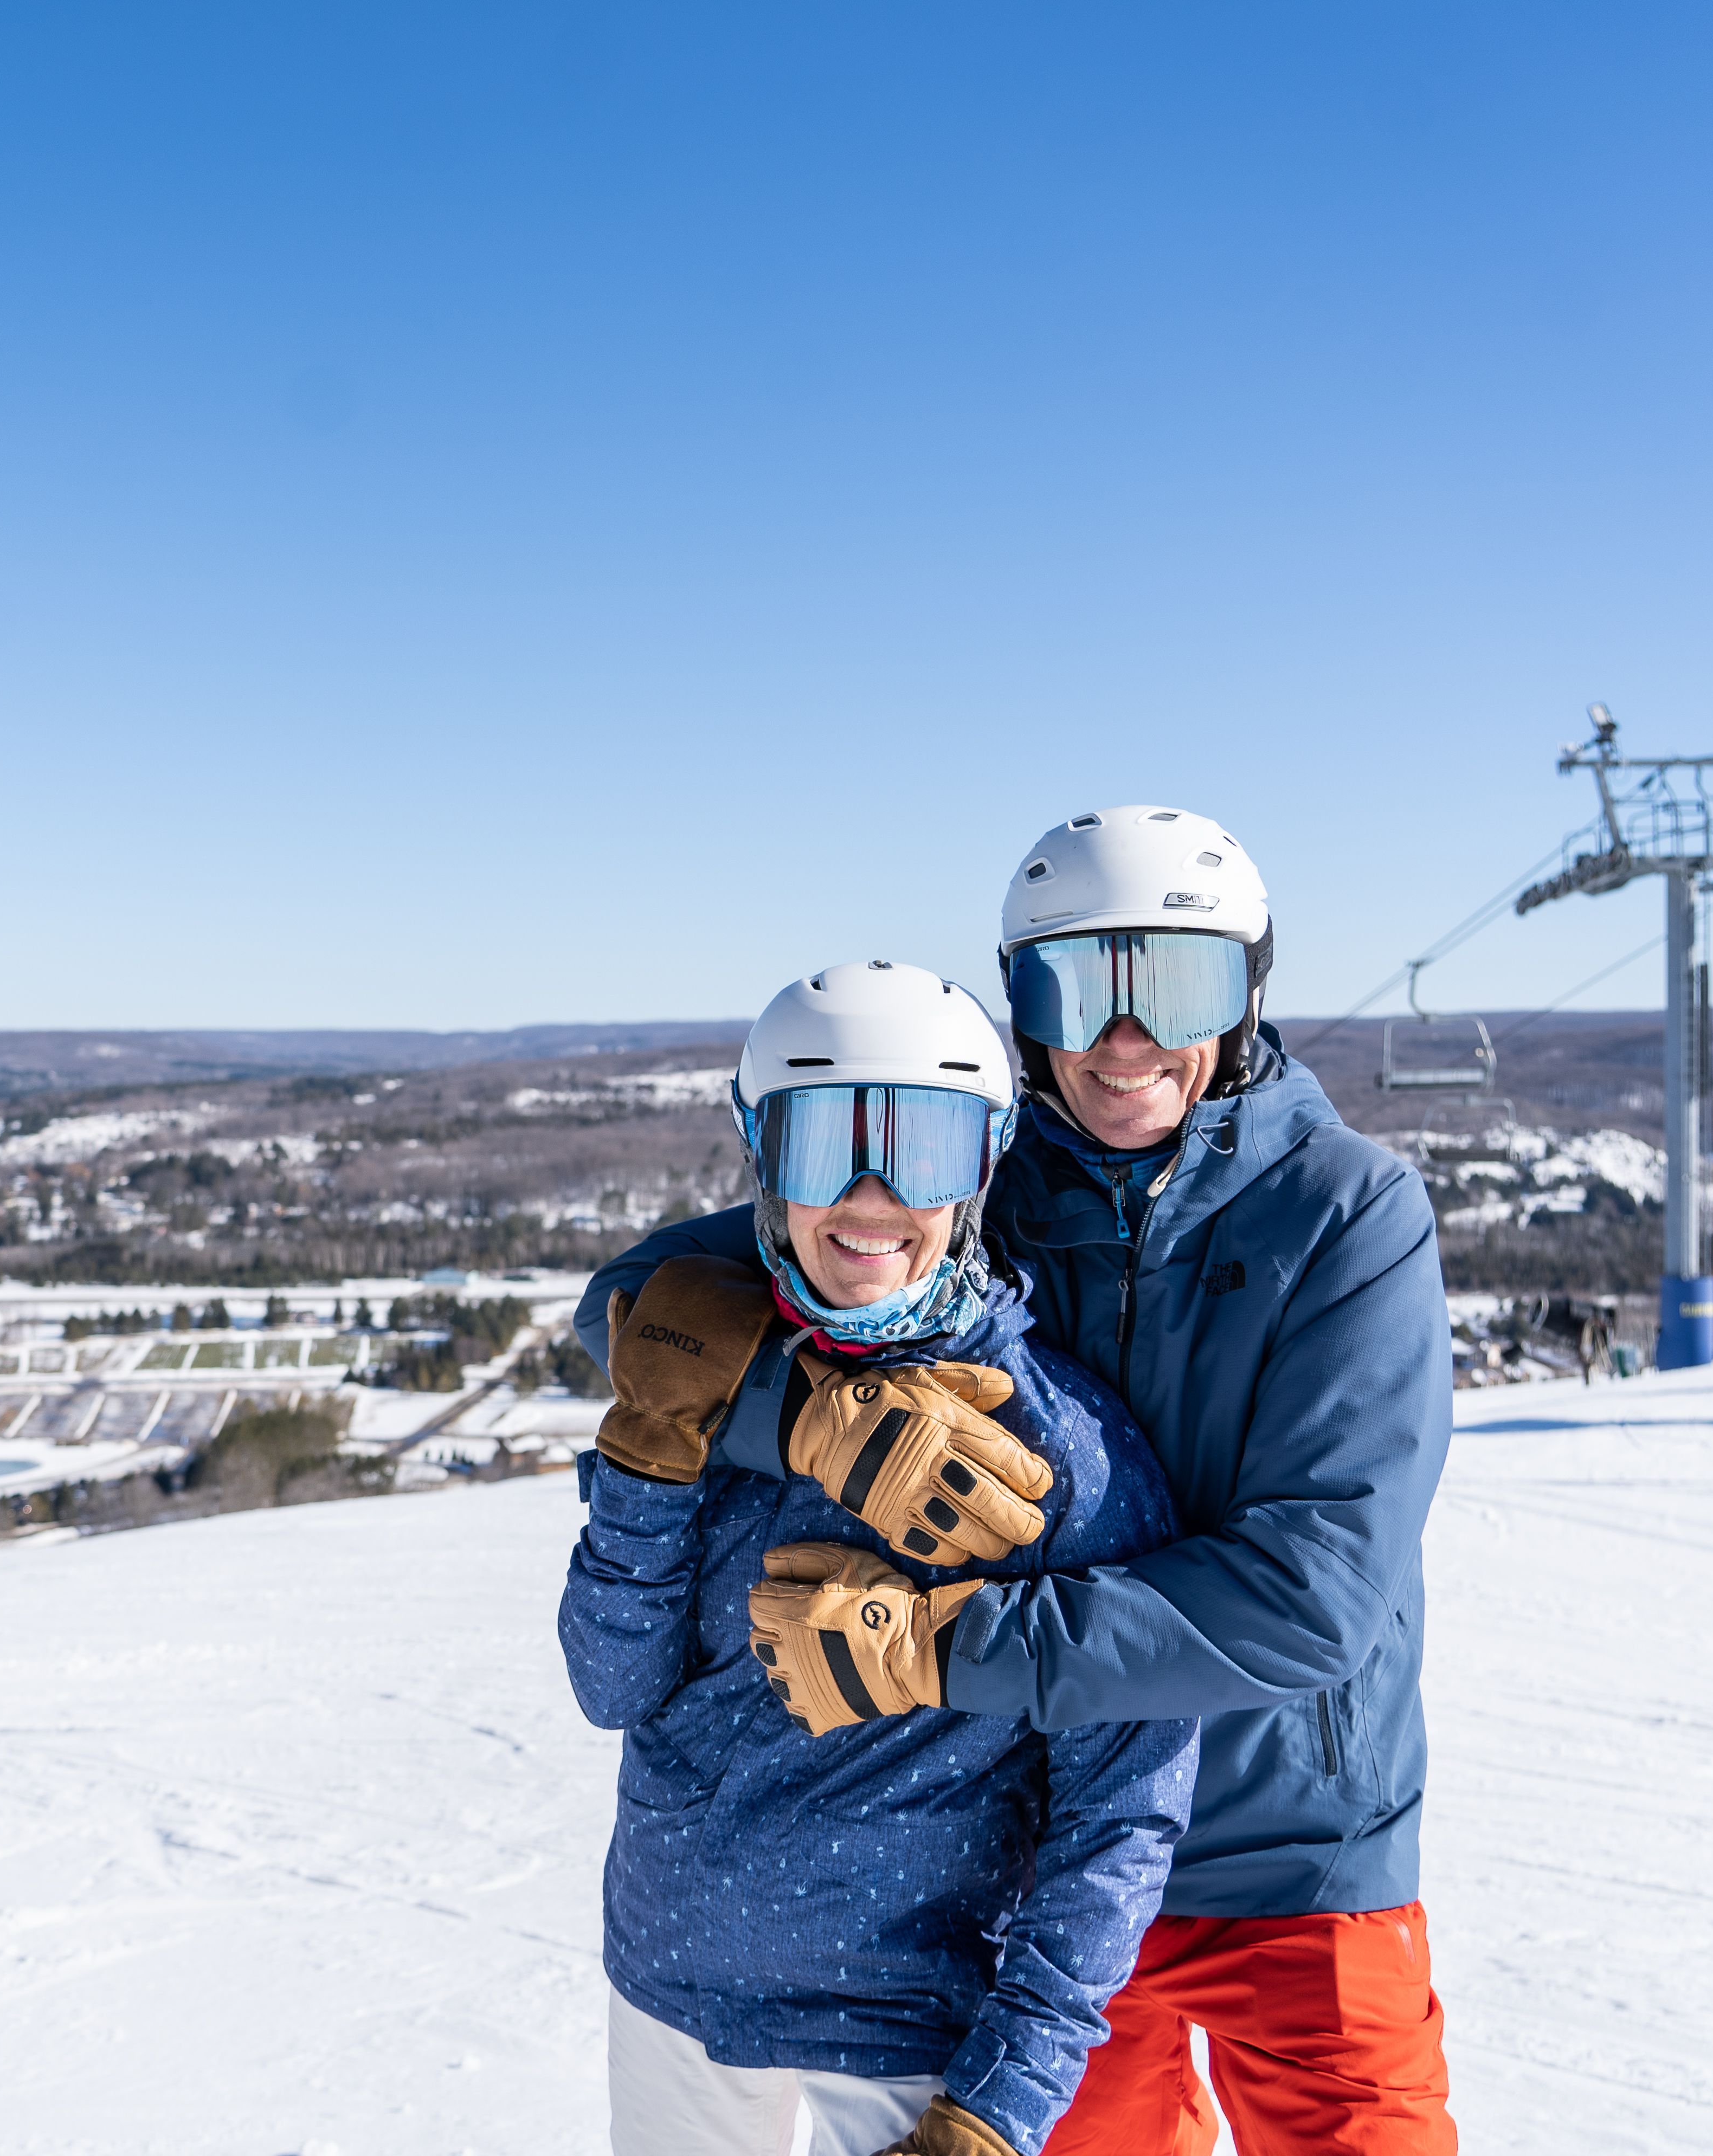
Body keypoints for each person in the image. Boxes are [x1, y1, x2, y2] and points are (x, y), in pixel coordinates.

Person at [583, 810, 1458, 2154]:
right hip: (1041, 1855)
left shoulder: (1345, 1213)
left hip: (1292, 1838)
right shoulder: (962, 1163)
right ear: (1021, 1002)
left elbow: (1310, 1598)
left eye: (1174, 983)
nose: (1124, 1039)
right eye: (1075, 988)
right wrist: (819, 1421)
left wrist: (945, 1644)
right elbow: (645, 1313)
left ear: (1249, 990)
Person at [562, 959, 1197, 2156]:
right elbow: (610, 1684)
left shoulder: (1057, 1452)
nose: (871, 1195)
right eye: (826, 1145)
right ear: (762, 1151)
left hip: (909, 2024)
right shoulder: (697, 1381)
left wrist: (999, 2104)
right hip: (674, 1980)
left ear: (982, 1169)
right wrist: (650, 1459)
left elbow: (1120, 1809)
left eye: (923, 1146)